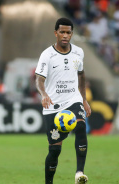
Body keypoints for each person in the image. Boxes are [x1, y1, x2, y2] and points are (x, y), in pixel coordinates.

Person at [35, 18, 91, 184]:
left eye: (68, 32)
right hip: (53, 106)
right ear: (56, 33)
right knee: (54, 150)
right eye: (62, 32)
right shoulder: (47, 55)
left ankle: (79, 173)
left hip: (73, 100)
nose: (65, 35)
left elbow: (81, 74)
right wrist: (43, 94)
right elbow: (39, 79)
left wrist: (84, 100)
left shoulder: (79, 52)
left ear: (72, 34)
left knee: (81, 125)